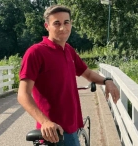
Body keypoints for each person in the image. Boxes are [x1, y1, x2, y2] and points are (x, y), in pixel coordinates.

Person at [16, 5, 121, 146]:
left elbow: (88, 73)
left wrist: (107, 80)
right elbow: (23, 95)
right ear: (47, 26)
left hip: (72, 126)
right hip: (55, 132)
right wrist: (45, 122)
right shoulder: (35, 53)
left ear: (71, 24)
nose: (62, 28)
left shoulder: (68, 50)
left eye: (66, 22)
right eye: (56, 23)